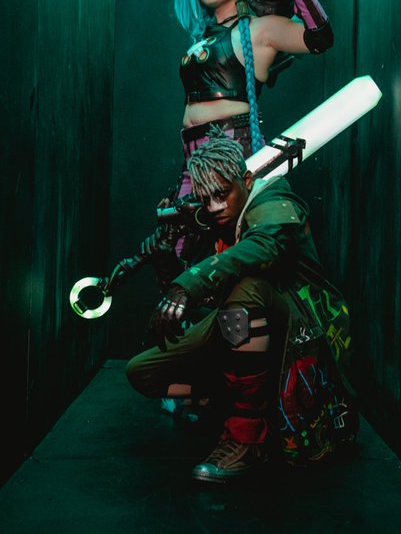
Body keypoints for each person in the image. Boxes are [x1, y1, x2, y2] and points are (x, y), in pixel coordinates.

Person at [126, 131, 358, 482]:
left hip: (303, 332)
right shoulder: (217, 220)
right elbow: (209, 301)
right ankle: (240, 404)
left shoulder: (274, 199)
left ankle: (249, 437)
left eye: (222, 194)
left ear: (246, 181)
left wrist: (186, 285)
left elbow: (261, 248)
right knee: (143, 372)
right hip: (246, 333)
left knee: (246, 292)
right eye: (206, 199)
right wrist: (167, 265)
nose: (214, 207)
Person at [169, 0, 333, 260]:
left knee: (239, 250)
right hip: (193, 159)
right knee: (179, 250)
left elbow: (320, 37)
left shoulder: (259, 30)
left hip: (232, 151)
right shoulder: (203, 39)